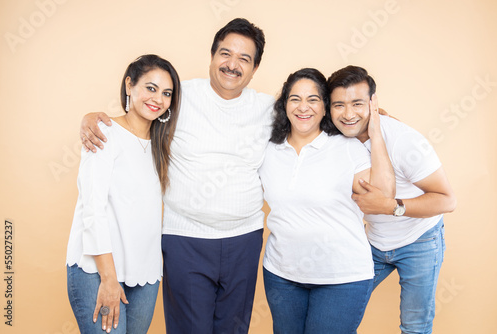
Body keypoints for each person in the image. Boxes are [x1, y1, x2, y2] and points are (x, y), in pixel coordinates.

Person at [79, 19, 273, 334]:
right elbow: (139, 118)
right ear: (212, 56)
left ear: (254, 69)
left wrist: (375, 122)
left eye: (244, 59)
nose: (232, 65)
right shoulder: (179, 97)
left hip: (244, 239)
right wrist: (91, 119)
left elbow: (316, 120)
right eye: (225, 53)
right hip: (185, 240)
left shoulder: (269, 109)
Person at [258, 68, 395, 334]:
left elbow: (384, 194)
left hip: (342, 278)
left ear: (325, 108)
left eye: (313, 99)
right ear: (284, 104)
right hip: (282, 274)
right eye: (295, 98)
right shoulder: (269, 149)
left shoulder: (346, 147)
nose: (303, 107)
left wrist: (376, 134)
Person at [327, 65, 457, 334]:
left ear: (373, 103)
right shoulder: (334, 137)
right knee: (336, 312)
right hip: (373, 243)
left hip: (420, 240)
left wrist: (391, 206)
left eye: (357, 103)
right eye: (339, 105)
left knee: (414, 327)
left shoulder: (404, 141)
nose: (348, 114)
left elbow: (447, 200)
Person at [66, 54, 181, 333]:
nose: (158, 99)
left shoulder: (162, 145)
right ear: (129, 85)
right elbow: (92, 209)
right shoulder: (104, 133)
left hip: (145, 274)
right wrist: (108, 278)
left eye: (166, 93)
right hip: (98, 271)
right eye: (150, 88)